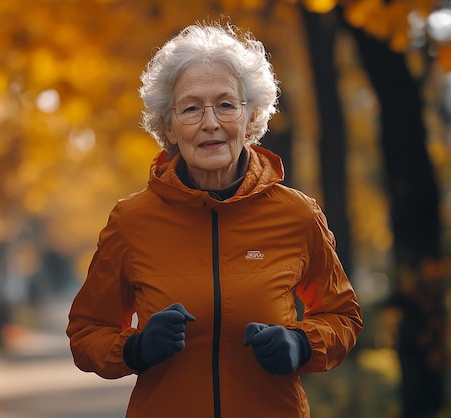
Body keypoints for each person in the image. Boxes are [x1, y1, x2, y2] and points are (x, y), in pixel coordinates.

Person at [66, 21, 363, 418]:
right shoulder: (131, 222)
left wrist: (301, 344)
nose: (211, 123)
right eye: (191, 108)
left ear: (251, 116)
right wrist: (135, 348)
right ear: (168, 125)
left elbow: (342, 316)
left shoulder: (296, 215)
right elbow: (87, 333)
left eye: (226, 104)